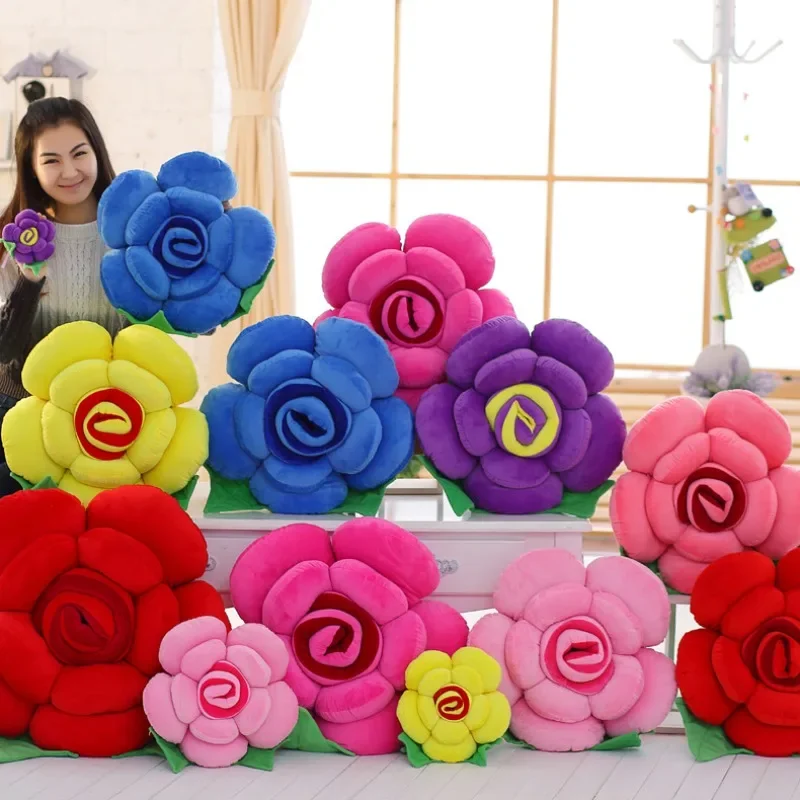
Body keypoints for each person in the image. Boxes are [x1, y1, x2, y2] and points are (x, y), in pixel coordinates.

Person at [0, 97, 125, 496]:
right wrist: (29, 282)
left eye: (79, 154)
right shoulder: (16, 243)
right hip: (24, 412)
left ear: (97, 153)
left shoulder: (131, 239)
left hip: (111, 413)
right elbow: (3, 353)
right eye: (51, 160)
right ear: (32, 170)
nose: (69, 171)